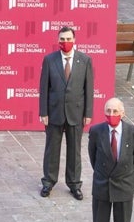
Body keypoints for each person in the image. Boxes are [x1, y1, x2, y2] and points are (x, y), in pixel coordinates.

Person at [84, 97, 134, 222]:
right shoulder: (96, 131)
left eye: (115, 111)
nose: (112, 115)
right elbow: (93, 158)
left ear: (123, 113)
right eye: (108, 111)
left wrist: (121, 174)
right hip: (102, 185)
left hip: (123, 186)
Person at [39, 26, 94, 200]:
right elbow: (44, 88)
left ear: (74, 40)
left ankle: (74, 184)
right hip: (54, 113)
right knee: (51, 150)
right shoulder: (49, 60)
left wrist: (88, 113)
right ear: (58, 41)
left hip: (76, 114)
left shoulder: (85, 60)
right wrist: (43, 112)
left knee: (75, 151)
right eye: (62, 39)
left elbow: (89, 89)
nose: (65, 42)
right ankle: (48, 182)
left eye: (68, 39)